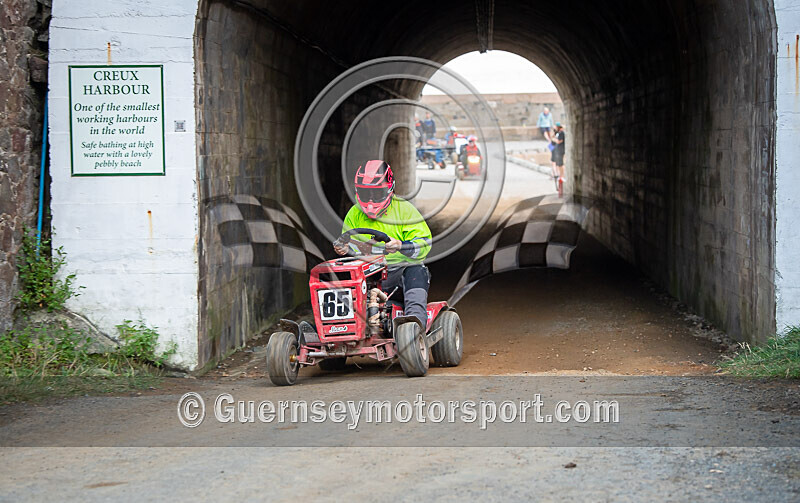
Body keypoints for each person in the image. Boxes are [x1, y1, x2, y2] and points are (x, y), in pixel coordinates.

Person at [334, 160, 432, 330]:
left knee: (417, 270)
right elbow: (352, 247)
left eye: (377, 193)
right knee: (339, 275)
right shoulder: (354, 213)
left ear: (389, 189)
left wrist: (400, 245)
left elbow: (424, 245)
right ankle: (340, 326)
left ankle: (415, 323)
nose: (371, 200)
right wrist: (345, 249)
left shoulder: (405, 210)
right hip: (369, 275)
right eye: (366, 194)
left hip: (399, 275)